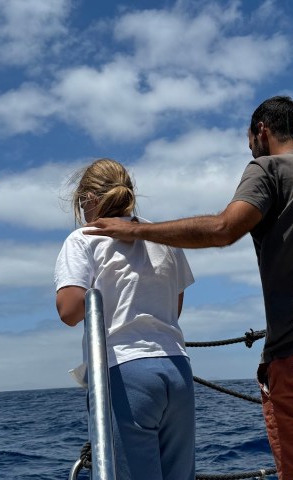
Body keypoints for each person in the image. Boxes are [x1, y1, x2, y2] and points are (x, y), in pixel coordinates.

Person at [85, 96, 293, 479]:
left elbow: (225, 229)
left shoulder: (267, 169)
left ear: (261, 131)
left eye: (249, 139)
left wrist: (136, 229)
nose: (249, 147)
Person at [53, 158, 196, 480]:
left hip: (125, 371)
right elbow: (176, 306)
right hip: (177, 369)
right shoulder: (162, 237)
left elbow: (69, 311)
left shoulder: (83, 239)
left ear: (88, 199)